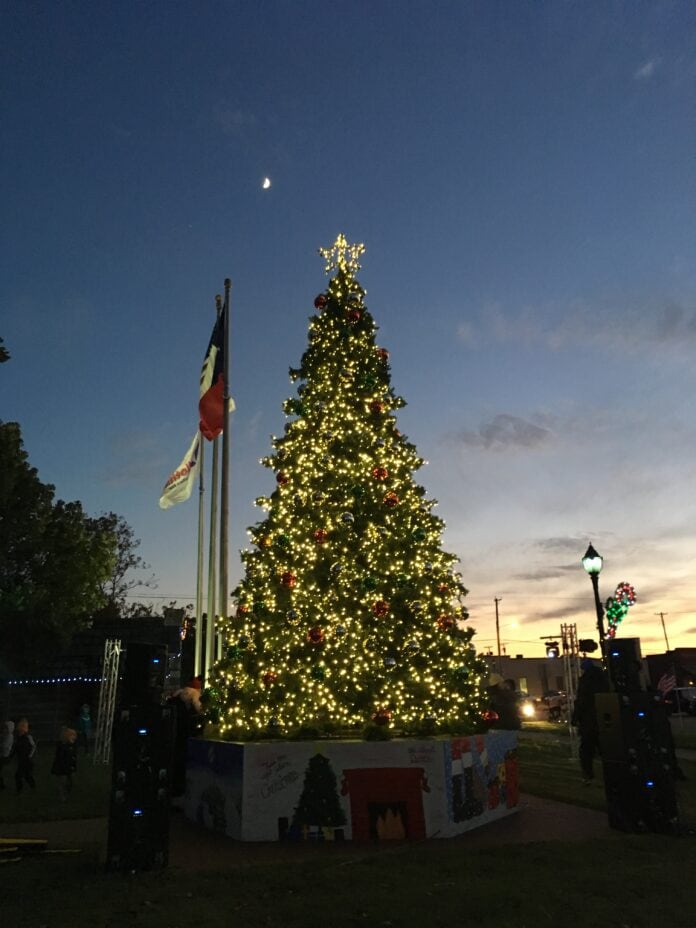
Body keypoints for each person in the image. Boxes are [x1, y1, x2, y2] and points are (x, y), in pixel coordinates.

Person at [571, 658, 609, 784]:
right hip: (605, 718)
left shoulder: (586, 681)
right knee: (606, 749)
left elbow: (581, 701)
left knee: (586, 750)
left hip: (589, 721)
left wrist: (575, 718)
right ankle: (611, 775)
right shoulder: (604, 679)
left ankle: (588, 775)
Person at [51, 727, 78, 801]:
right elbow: (60, 757)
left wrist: (73, 766)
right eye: (72, 735)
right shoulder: (61, 746)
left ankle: (67, 792)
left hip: (69, 767)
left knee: (70, 782)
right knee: (62, 782)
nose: (74, 737)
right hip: (62, 767)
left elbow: (73, 757)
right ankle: (62, 796)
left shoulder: (72, 746)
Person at [14, 717, 37, 793]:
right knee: (26, 775)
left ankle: (20, 790)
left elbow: (33, 747)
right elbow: (16, 748)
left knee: (20, 775)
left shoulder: (27, 737)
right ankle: (31, 786)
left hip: (27, 760)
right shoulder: (18, 737)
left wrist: (29, 756)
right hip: (21, 760)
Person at [0, 720, 14, 789]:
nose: (3, 729)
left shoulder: (9, 737)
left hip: (4, 756)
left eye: (5, 728)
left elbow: (4, 746)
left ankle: (2, 785)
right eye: (3, 728)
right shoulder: (5, 735)